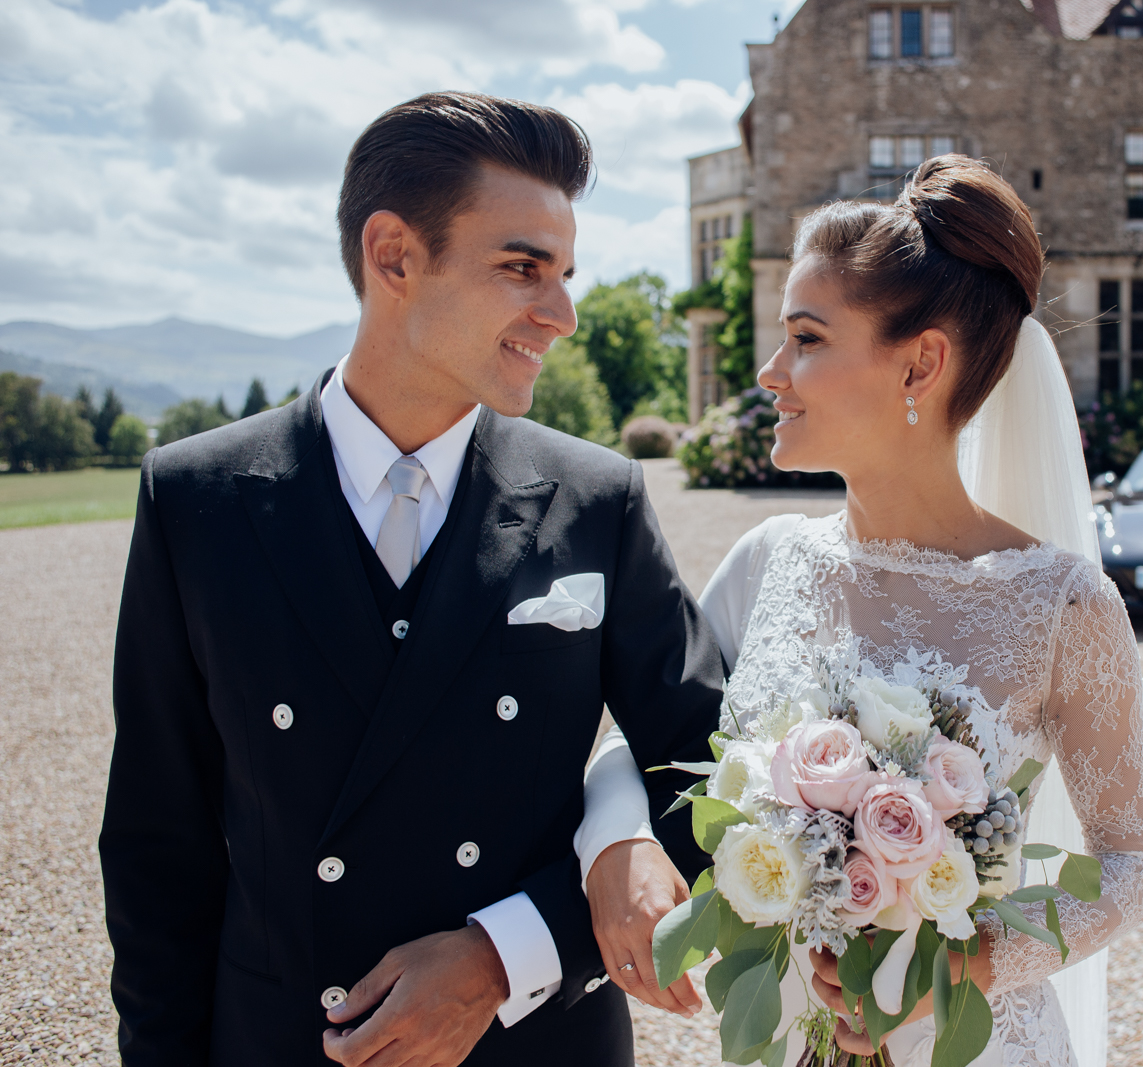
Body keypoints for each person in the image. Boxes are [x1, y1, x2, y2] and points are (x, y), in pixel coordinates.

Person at [99, 91, 718, 1067]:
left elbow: (716, 770)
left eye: (563, 274)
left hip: (537, 1045)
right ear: (393, 255)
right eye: (522, 268)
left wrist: (508, 949)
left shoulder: (598, 497)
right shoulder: (197, 498)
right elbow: (155, 844)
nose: (559, 314)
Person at [593, 156, 1143, 1067]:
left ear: (921, 363)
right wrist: (617, 844)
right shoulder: (769, 559)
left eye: (808, 338)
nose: (770, 371)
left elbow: (1135, 862)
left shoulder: (1060, 603)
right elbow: (645, 734)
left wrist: (969, 961)